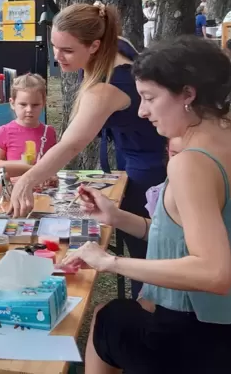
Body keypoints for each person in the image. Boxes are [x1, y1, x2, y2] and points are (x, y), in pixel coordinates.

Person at [63, 37, 231, 373]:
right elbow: (187, 233)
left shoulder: (191, 164)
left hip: (195, 336)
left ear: (188, 94)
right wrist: (117, 217)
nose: (141, 111)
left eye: (150, 98)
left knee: (109, 319)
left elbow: (214, 272)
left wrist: (110, 261)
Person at [9, 2, 167, 299]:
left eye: (67, 50)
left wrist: (30, 179)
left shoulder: (106, 87)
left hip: (149, 171)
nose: (58, 57)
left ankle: (150, 317)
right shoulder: (114, 42)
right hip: (135, 160)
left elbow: (72, 143)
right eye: (54, 45)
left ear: (94, 46)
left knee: (146, 255)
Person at [0, 74, 57, 171]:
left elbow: (55, 163)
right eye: (23, 104)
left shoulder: (49, 132)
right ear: (12, 103)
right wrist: (21, 164)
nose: (29, 109)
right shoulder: (4, 131)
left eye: (35, 105)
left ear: (43, 103)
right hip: (16, 185)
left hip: (43, 185)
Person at [144, 137, 183, 218]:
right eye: (174, 155)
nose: (181, 164)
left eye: (192, 157)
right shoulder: (156, 196)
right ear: (167, 151)